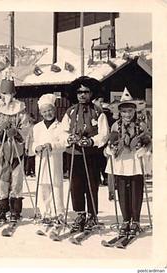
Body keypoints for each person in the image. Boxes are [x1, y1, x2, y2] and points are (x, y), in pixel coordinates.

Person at [61, 76, 109, 233]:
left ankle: (92, 214)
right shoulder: (71, 111)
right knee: (75, 185)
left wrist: (91, 141)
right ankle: (80, 214)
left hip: (91, 154)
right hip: (74, 153)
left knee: (91, 184)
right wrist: (69, 138)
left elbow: (104, 134)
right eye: (79, 92)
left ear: (91, 93)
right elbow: (62, 131)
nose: (82, 95)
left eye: (86, 92)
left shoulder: (98, 111)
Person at [0, 68, 30, 223]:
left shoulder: (20, 108)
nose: (7, 97)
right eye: (4, 93)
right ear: (0, 93)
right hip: (1, 148)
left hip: (16, 148)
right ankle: (1, 208)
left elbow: (26, 128)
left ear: (14, 94)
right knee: (2, 178)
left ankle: (15, 209)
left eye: (9, 93)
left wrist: (16, 132)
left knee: (16, 178)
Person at [105, 88, 151, 236]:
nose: (127, 115)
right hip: (121, 161)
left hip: (135, 161)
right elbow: (111, 142)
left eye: (130, 111)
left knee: (136, 189)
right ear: (119, 112)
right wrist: (110, 149)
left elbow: (148, 141)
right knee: (123, 190)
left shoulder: (141, 125)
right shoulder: (115, 126)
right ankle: (126, 220)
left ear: (134, 112)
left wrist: (145, 150)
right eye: (124, 111)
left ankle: (135, 220)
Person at [28, 94, 67, 223]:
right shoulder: (37, 127)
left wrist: (52, 145)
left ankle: (58, 213)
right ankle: (45, 213)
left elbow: (64, 144)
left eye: (49, 110)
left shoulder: (61, 126)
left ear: (54, 110)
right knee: (43, 187)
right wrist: (36, 148)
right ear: (41, 113)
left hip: (54, 160)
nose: (47, 113)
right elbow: (32, 143)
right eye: (44, 111)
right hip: (41, 160)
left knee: (56, 187)